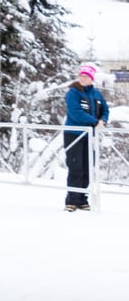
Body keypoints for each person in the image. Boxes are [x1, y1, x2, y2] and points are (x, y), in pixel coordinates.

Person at [63, 63, 109, 211]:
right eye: (81, 75)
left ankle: (83, 199)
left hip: (91, 136)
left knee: (87, 168)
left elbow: (105, 109)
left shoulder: (96, 94)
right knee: (76, 167)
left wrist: (103, 121)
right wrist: (95, 122)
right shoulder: (73, 92)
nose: (82, 78)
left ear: (91, 78)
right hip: (74, 135)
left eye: (86, 76)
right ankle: (72, 200)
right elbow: (76, 113)